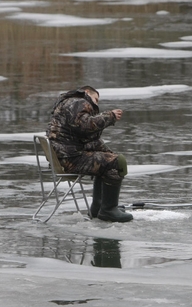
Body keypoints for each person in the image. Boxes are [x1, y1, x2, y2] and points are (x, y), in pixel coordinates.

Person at [47, 85, 133, 223]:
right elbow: (86, 126)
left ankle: (99, 208)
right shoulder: (78, 102)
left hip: (65, 157)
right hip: (71, 159)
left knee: (110, 160)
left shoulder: (69, 103)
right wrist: (109, 116)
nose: (95, 104)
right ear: (87, 92)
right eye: (96, 99)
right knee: (118, 162)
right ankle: (108, 210)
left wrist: (107, 152)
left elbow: (84, 137)